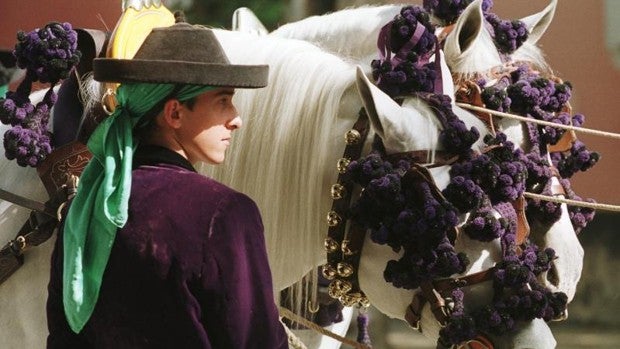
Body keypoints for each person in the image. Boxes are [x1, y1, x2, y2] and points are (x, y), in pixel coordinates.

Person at [46, 20, 288, 348]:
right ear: (174, 113)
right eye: (223, 101)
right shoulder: (223, 213)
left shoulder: (85, 204)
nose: (236, 118)